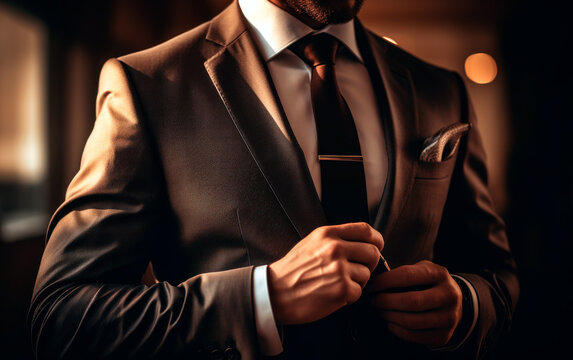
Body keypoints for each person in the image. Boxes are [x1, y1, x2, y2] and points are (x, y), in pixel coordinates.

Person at [28, 0, 519, 359]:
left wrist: (466, 306)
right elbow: (64, 318)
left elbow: (498, 279)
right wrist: (265, 297)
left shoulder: (441, 90)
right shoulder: (148, 86)